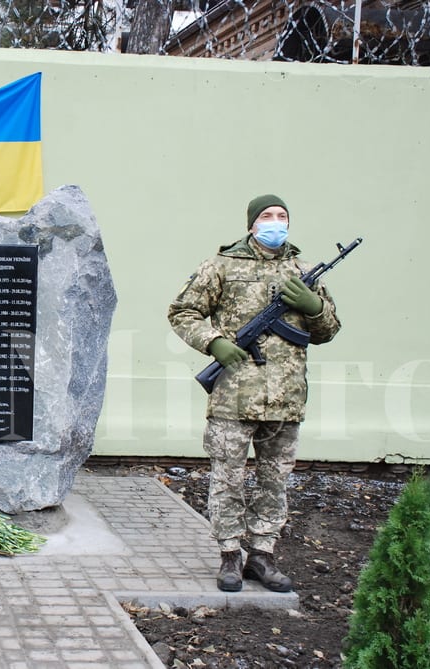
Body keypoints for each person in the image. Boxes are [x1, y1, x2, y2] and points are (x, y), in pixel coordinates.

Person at [167, 194, 341, 593]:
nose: (275, 222)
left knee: (274, 480)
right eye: (267, 216)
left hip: (286, 397)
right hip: (234, 395)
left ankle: (262, 556)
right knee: (228, 478)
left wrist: (314, 307)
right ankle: (230, 556)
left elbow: (327, 331)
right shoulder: (222, 265)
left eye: (282, 216)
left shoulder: (303, 271)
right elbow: (182, 311)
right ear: (251, 224)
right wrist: (213, 342)